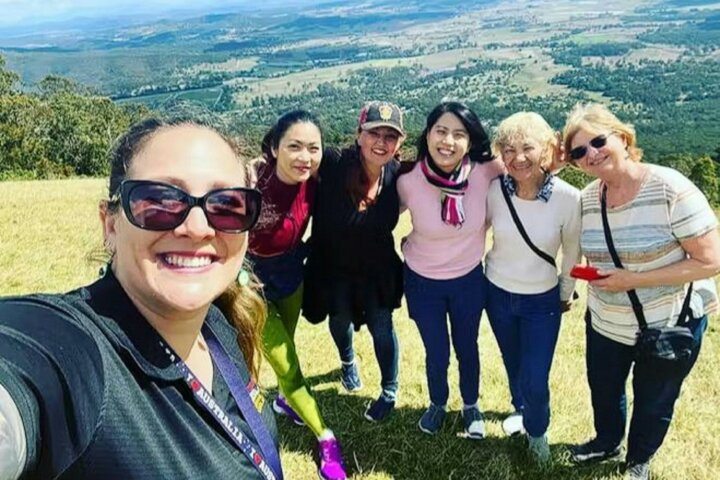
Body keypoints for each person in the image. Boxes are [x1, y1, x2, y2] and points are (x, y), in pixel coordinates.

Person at [0, 118, 283, 479]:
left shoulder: (217, 325)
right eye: (159, 201)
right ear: (111, 225)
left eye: (226, 205)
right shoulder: (75, 349)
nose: (197, 228)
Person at [562, 103, 720, 480]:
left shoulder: (671, 189)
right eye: (579, 152)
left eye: (598, 141)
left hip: (666, 323)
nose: (592, 154)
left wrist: (630, 279)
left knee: (655, 400)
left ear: (623, 137)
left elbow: (711, 261)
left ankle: (638, 461)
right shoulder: (587, 199)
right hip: (605, 322)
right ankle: (606, 442)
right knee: (604, 389)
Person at [249, 110, 346, 480]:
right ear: (274, 148)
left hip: (290, 271)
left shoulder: (316, 180)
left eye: (313, 148)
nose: (305, 156)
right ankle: (326, 438)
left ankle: (285, 401)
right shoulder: (251, 178)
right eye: (294, 146)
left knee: (288, 343)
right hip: (249, 279)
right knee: (288, 365)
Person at [397, 101, 504, 438]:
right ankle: (437, 403)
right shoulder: (407, 179)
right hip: (422, 281)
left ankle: (471, 405)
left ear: (470, 142)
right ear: (427, 135)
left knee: (467, 345)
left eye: (459, 134)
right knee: (437, 350)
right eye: (440, 131)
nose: (448, 141)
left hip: (468, 281)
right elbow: (372, 211)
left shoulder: (486, 172)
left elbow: (531, 166)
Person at [485, 111, 581, 463]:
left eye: (528, 147)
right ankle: (520, 413)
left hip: (542, 301)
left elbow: (572, 252)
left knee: (536, 376)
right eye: (508, 149)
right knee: (514, 366)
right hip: (496, 293)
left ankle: (537, 433)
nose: (517, 157)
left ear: (545, 150)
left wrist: (564, 291)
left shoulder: (569, 199)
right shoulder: (494, 191)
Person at [303, 101, 404, 422]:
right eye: (374, 132)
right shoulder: (333, 163)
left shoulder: (398, 175)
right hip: (333, 269)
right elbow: (293, 163)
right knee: (340, 321)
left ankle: (389, 390)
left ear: (399, 143)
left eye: (391, 136)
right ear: (359, 135)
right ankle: (348, 364)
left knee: (383, 329)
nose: (381, 142)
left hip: (377, 272)